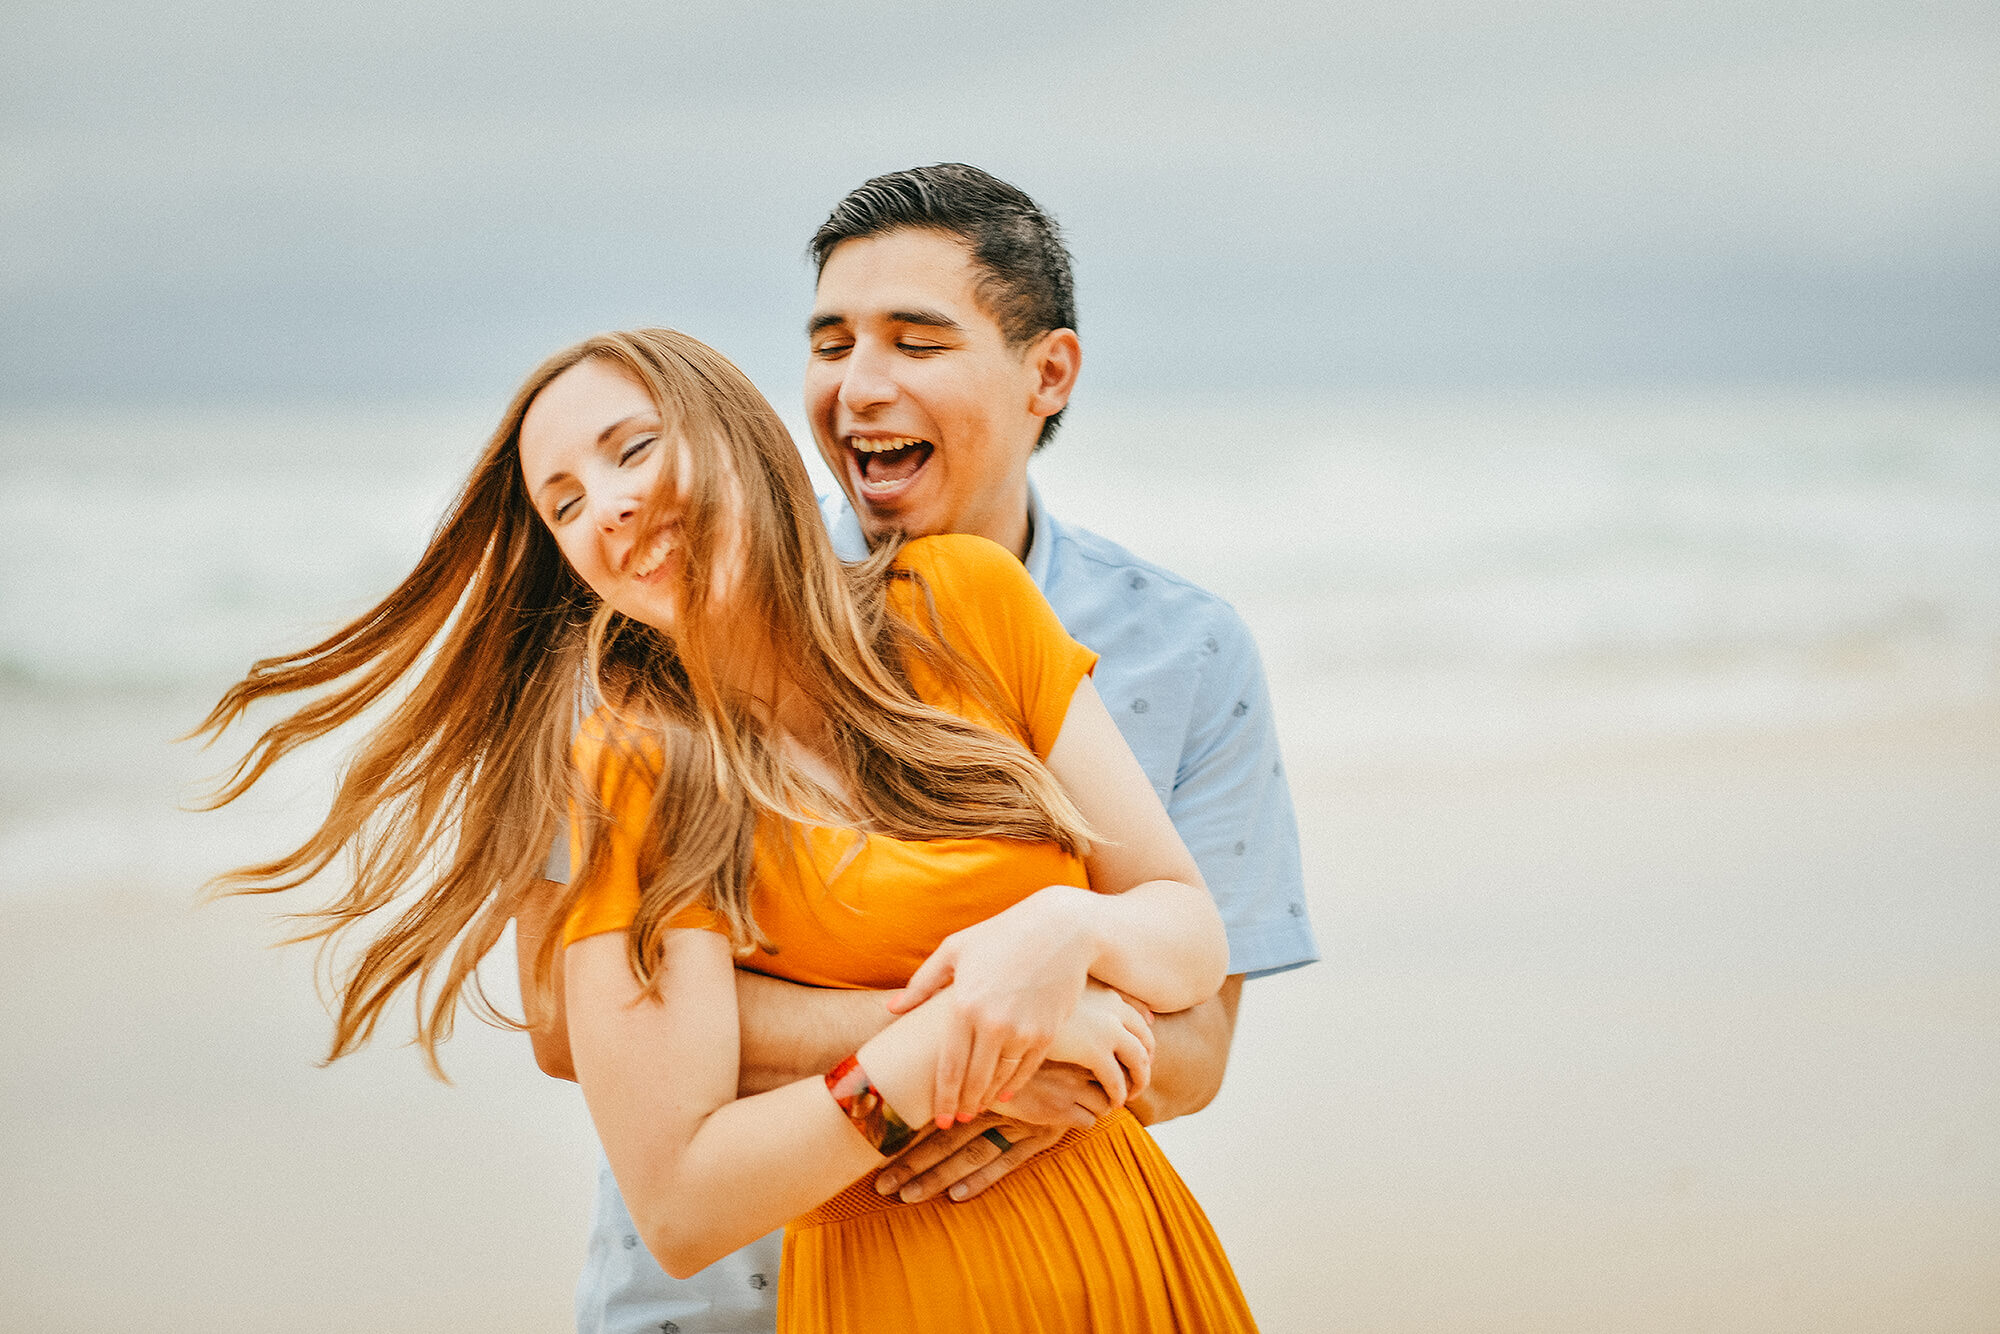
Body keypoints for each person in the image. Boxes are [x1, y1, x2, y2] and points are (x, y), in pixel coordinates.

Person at [198, 325, 1262, 1331]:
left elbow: (1183, 927)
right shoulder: (635, 770)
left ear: (736, 432)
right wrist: (951, 1047)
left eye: (633, 449)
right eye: (564, 503)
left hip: (1139, 1258)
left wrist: (1057, 936)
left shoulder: (963, 599)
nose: (607, 507)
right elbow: (680, 1198)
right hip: (899, 1292)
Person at [547, 165, 1319, 1333]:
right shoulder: (654, 631)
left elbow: (1193, 1042)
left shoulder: (1181, 650)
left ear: (1045, 373)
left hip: (1064, 1262)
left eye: (914, 341)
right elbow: (571, 1022)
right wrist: (986, 1034)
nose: (859, 386)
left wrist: (1042, 966)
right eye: (829, 341)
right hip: (714, 1292)